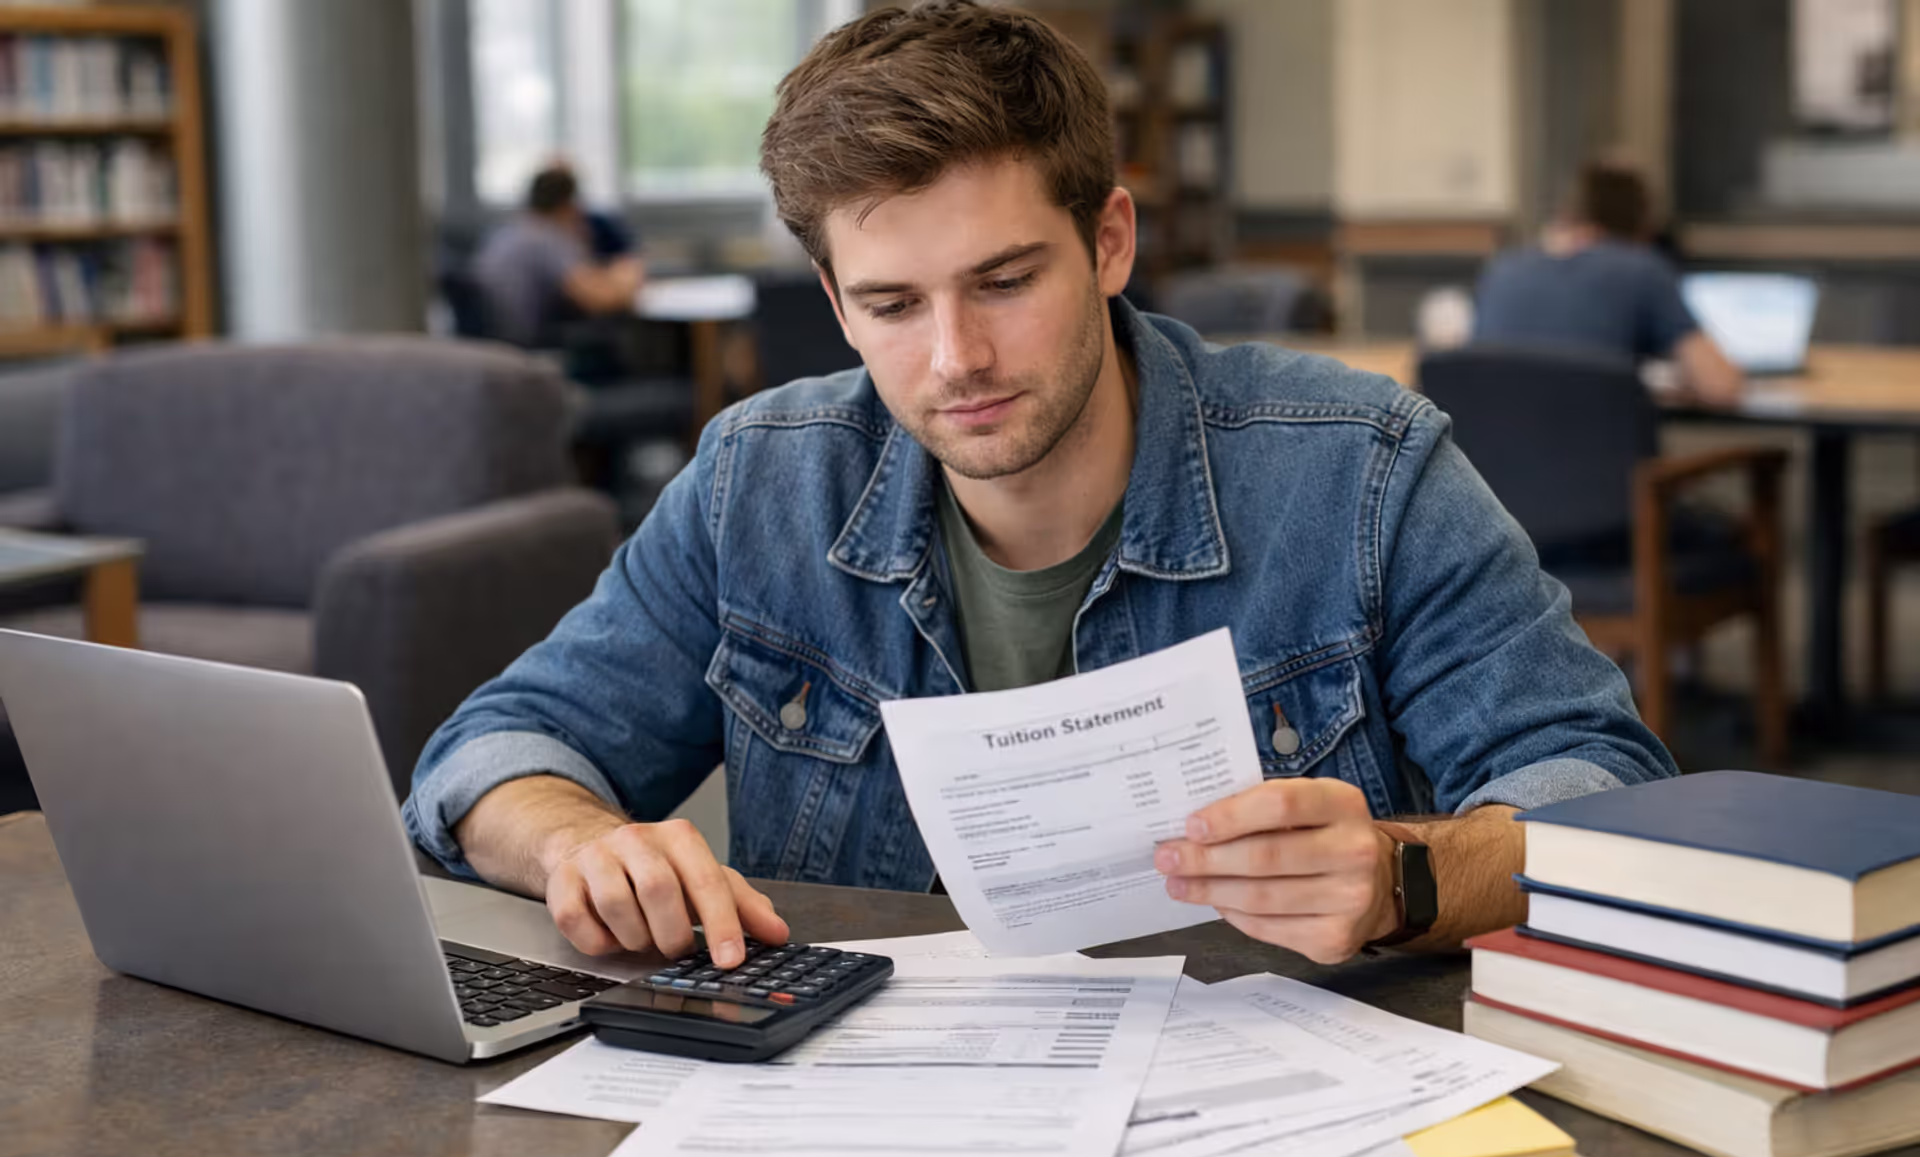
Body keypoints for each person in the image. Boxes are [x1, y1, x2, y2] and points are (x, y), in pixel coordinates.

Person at [405, 0, 1674, 973]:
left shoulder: (1362, 468)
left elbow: (1607, 792)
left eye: (1005, 282)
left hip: (1273, 1128)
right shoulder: (760, 480)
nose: (956, 360)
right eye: (894, 304)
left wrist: (1408, 875)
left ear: (1109, 241)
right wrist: (578, 838)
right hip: (867, 1124)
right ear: (837, 300)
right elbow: (490, 755)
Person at [1472, 161, 1745, 407]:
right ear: (1642, 221)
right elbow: (1721, 388)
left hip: (1490, 462)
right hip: (1601, 458)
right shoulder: (1642, 269)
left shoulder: (1501, 269)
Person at [469, 164, 645, 351]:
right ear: (569, 205)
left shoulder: (507, 232)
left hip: (497, 342)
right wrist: (629, 274)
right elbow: (599, 302)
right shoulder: (547, 239)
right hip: (530, 347)